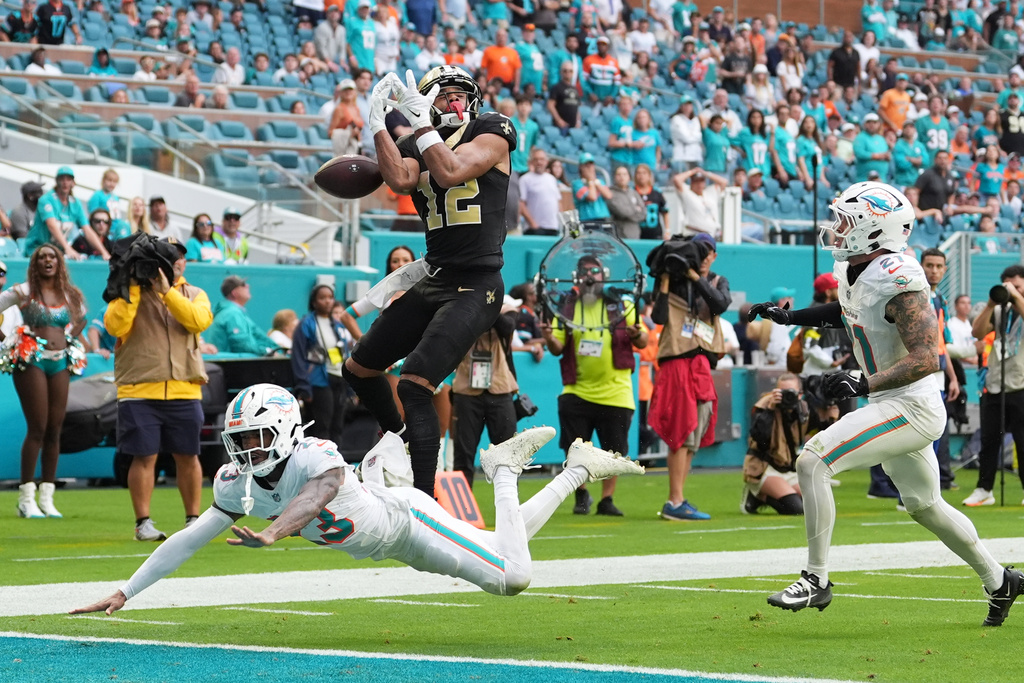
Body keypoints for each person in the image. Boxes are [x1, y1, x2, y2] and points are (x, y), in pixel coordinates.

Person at [70, 394, 643, 618]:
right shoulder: (234, 482)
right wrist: (127, 590)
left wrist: (273, 535)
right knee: (504, 550)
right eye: (238, 441)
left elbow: (318, 493)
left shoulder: (314, 453)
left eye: (254, 439)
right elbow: (188, 539)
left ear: (287, 430)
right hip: (393, 542)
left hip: (407, 520)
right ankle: (575, 470)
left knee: (513, 575)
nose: (244, 451)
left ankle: (503, 469)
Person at [748, 180, 1024, 626]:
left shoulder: (901, 277)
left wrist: (861, 383)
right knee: (925, 506)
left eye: (846, 221)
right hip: (892, 400)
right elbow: (850, 310)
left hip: (910, 406)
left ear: (874, 230)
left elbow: (925, 358)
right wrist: (792, 316)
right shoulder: (855, 270)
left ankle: (816, 579)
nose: (836, 228)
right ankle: (999, 580)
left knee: (813, 461)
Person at [347, 65, 517, 497]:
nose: (456, 103)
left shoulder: (492, 129)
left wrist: (423, 122)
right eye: (445, 96)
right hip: (436, 275)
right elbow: (400, 178)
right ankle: (404, 439)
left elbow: (452, 171)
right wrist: (378, 124)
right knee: (358, 369)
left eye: (462, 95)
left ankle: (425, 497)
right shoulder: (414, 142)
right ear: (424, 100)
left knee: (415, 382)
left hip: (479, 282)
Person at [104, 237, 212, 542]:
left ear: (184, 262)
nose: (174, 262)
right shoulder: (126, 292)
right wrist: (135, 284)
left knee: (189, 456)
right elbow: (116, 326)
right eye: (169, 257)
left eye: (178, 257)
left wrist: (167, 292)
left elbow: (198, 321)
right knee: (143, 456)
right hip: (138, 389)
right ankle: (143, 523)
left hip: (184, 389)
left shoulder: (194, 293)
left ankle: (193, 520)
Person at [540, 255, 648, 517]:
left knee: (615, 452)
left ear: (604, 275)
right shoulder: (566, 306)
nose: (590, 276)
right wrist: (546, 336)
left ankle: (607, 500)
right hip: (577, 389)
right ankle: (581, 493)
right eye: (585, 271)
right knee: (576, 449)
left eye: (595, 271)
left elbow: (642, 339)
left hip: (616, 391)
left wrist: (637, 335)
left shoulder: (623, 303)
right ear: (577, 276)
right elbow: (556, 347)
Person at [648, 233, 731, 520]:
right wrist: (667, 278)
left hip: (702, 365)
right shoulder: (670, 282)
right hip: (677, 363)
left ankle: (679, 498)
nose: (704, 256)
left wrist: (695, 276)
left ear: (715, 255)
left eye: (709, 252)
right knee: (681, 432)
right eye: (699, 251)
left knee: (694, 435)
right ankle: (674, 500)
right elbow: (658, 317)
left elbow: (720, 304)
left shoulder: (717, 281)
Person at [0, 246, 87, 519]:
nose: (47, 261)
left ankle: (47, 497)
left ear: (59, 263)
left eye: (52, 257)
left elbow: (81, 317)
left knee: (54, 428)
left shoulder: (69, 293)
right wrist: (5, 339)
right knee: (37, 427)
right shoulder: (24, 291)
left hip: (60, 360)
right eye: (42, 257)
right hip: (32, 359)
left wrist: (70, 338)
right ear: (35, 264)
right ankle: (26, 498)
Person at [963, 265, 1024, 507]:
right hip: (995, 383)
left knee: (1023, 440)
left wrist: (1017, 296)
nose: (1011, 291)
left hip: (1021, 384)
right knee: (989, 440)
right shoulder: (1000, 311)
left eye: (1017, 286)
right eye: (1008, 286)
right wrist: (990, 304)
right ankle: (984, 489)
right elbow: (977, 332)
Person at [451, 296, 521, 487]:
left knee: (508, 454)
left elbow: (507, 327)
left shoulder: (507, 308)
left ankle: (509, 507)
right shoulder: (460, 309)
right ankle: (460, 509)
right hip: (466, 389)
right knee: (463, 454)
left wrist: (487, 306)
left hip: (500, 388)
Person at [743, 373, 836, 515]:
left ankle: (769, 494)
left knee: (817, 503)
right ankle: (756, 496)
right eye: (783, 392)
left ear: (800, 394)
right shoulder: (764, 405)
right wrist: (771, 410)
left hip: (787, 467)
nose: (788, 396)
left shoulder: (804, 409)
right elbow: (760, 440)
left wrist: (830, 417)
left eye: (791, 392)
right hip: (763, 467)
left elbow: (819, 435)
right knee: (796, 508)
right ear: (776, 391)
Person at [292, 283, 351, 444]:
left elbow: (345, 354)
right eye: (322, 298)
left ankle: (336, 461)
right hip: (319, 380)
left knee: (337, 425)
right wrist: (303, 386)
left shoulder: (337, 325)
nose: (327, 301)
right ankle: (321, 464)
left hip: (339, 378)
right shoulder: (306, 324)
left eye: (330, 297)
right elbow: (298, 356)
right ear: (314, 302)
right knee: (322, 425)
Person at [25, 167, 109, 260]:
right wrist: (67, 248)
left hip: (57, 251)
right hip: (37, 249)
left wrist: (104, 253)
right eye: (62, 179)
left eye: (68, 179)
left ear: (73, 183)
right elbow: (51, 225)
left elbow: (87, 230)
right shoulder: (46, 200)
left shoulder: (75, 203)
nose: (65, 182)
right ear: (57, 182)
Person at [206, 276, 272, 357]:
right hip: (230, 367)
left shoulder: (235, 312)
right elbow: (241, 344)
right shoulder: (232, 313)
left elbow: (259, 336)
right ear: (235, 293)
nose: (248, 286)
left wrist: (276, 348)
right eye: (243, 285)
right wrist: (267, 351)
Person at [518, 147, 561, 236]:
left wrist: (561, 222)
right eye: (536, 159)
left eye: (541, 159)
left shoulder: (552, 179)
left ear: (546, 162)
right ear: (532, 162)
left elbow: (558, 201)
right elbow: (521, 204)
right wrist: (533, 224)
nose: (539, 162)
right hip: (534, 229)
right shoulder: (525, 179)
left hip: (553, 227)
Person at [606, 165, 646, 240]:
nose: (622, 177)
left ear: (629, 177)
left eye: (624, 174)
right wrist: (636, 209)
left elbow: (643, 213)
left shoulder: (634, 193)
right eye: (619, 174)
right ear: (614, 177)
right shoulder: (610, 193)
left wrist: (631, 211)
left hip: (635, 235)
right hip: (619, 236)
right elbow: (622, 212)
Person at [573, 153, 612, 225]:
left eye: (591, 165)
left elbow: (608, 195)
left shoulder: (600, 182)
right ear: (581, 167)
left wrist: (596, 182)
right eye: (586, 165)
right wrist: (591, 180)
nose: (589, 168)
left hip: (604, 218)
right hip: (587, 220)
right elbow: (592, 197)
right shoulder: (577, 184)